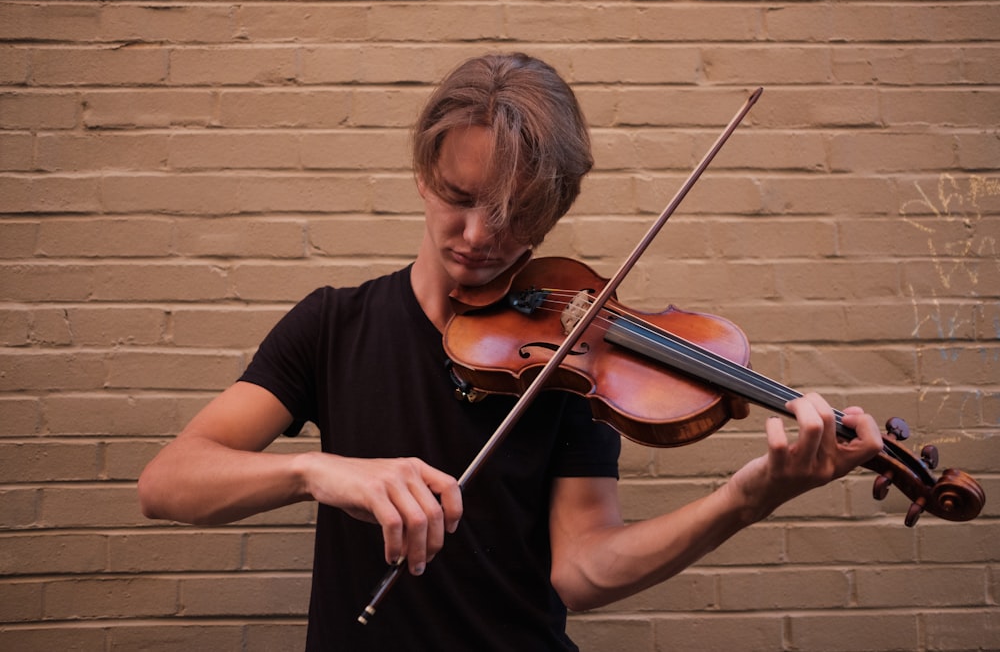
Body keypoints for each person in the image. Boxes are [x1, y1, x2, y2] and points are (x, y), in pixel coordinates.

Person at [138, 53, 883, 650]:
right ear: (423, 175)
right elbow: (168, 481)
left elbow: (583, 568)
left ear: (554, 210)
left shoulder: (571, 354)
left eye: (517, 214)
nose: (481, 237)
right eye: (461, 198)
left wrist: (746, 499)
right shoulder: (334, 324)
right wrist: (315, 470)